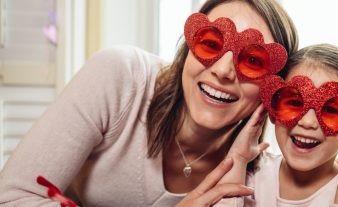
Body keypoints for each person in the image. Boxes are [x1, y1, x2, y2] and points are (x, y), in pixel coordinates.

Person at [0, 0, 298, 206]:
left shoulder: (260, 175)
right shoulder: (120, 76)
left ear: (273, 88)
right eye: (210, 44)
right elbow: (12, 196)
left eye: (253, 61)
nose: (222, 70)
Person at [221, 44, 338, 206]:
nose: (307, 122)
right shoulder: (252, 175)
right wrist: (239, 158)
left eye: (330, 110)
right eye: (294, 102)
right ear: (272, 109)